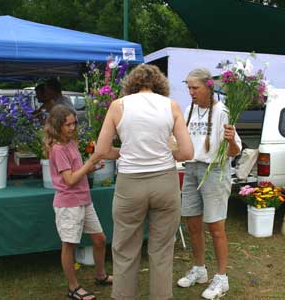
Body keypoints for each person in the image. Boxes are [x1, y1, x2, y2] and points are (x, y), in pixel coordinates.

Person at [92, 64, 194, 299]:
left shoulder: (119, 106)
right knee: (161, 249)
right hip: (165, 183)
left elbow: (101, 150)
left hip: (130, 184)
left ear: (131, 84)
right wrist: (169, 152)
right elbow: (187, 153)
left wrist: (125, 151)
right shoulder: (171, 106)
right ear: (160, 85)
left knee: (125, 248)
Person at [176, 68, 242, 300]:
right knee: (192, 223)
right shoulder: (188, 110)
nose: (191, 92)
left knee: (215, 227)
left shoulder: (223, 111)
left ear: (208, 87)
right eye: (189, 88)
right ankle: (200, 269)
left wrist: (231, 139)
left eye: (195, 88)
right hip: (192, 169)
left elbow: (234, 152)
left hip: (215, 171)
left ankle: (222, 278)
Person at [44, 105, 112, 300]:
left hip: (83, 199)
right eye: (68, 124)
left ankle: (100, 275)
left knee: (99, 239)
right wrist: (89, 164)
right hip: (68, 203)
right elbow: (70, 180)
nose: (73, 127)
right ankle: (73, 288)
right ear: (57, 126)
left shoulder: (71, 142)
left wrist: (90, 168)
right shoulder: (57, 149)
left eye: (74, 123)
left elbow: (76, 172)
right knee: (69, 245)